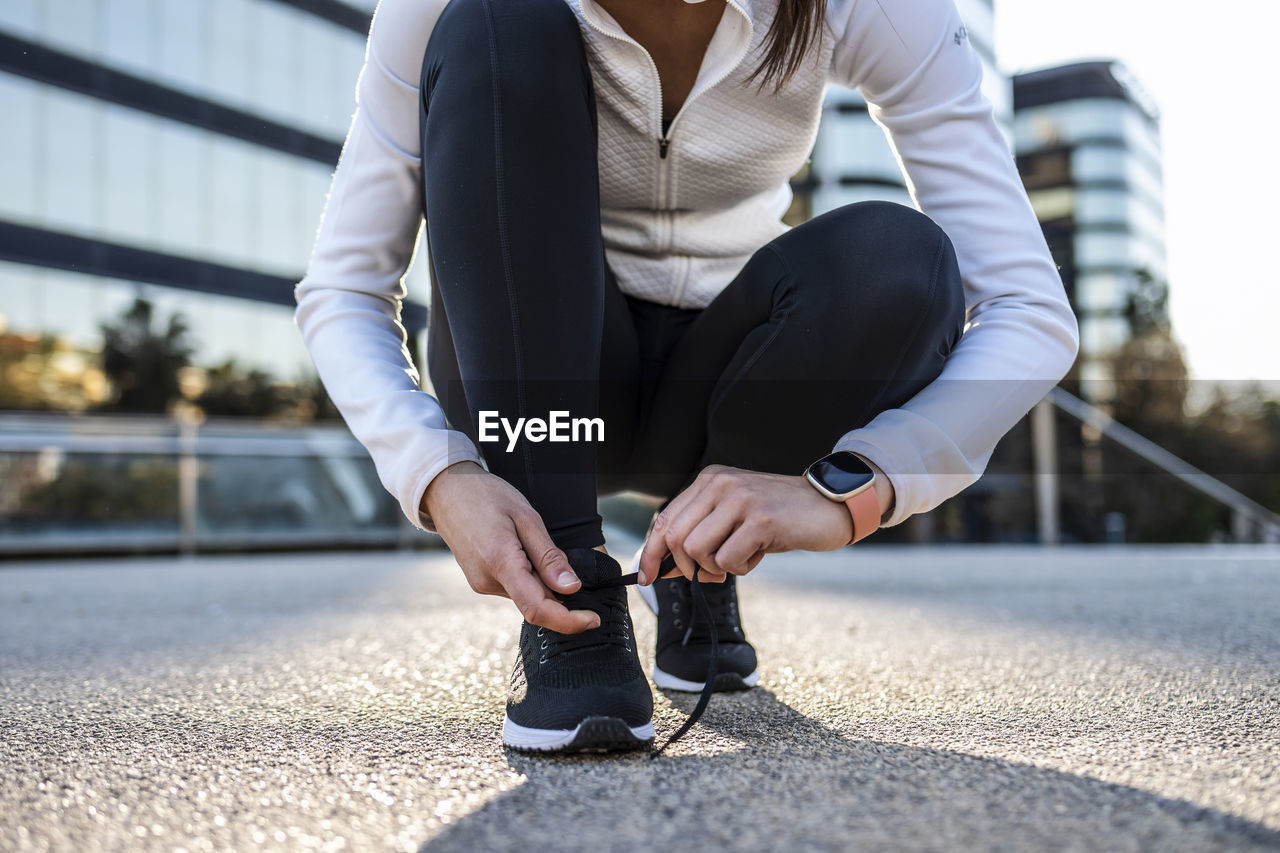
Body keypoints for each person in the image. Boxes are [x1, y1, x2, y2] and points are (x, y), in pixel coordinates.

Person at [294, 0, 1079, 753]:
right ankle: (572, 606)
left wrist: (854, 488)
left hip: (729, 405)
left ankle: (697, 560)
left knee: (900, 261)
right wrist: (437, 474)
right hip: (539, 398)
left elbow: (1030, 310)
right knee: (500, 20)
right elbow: (344, 289)